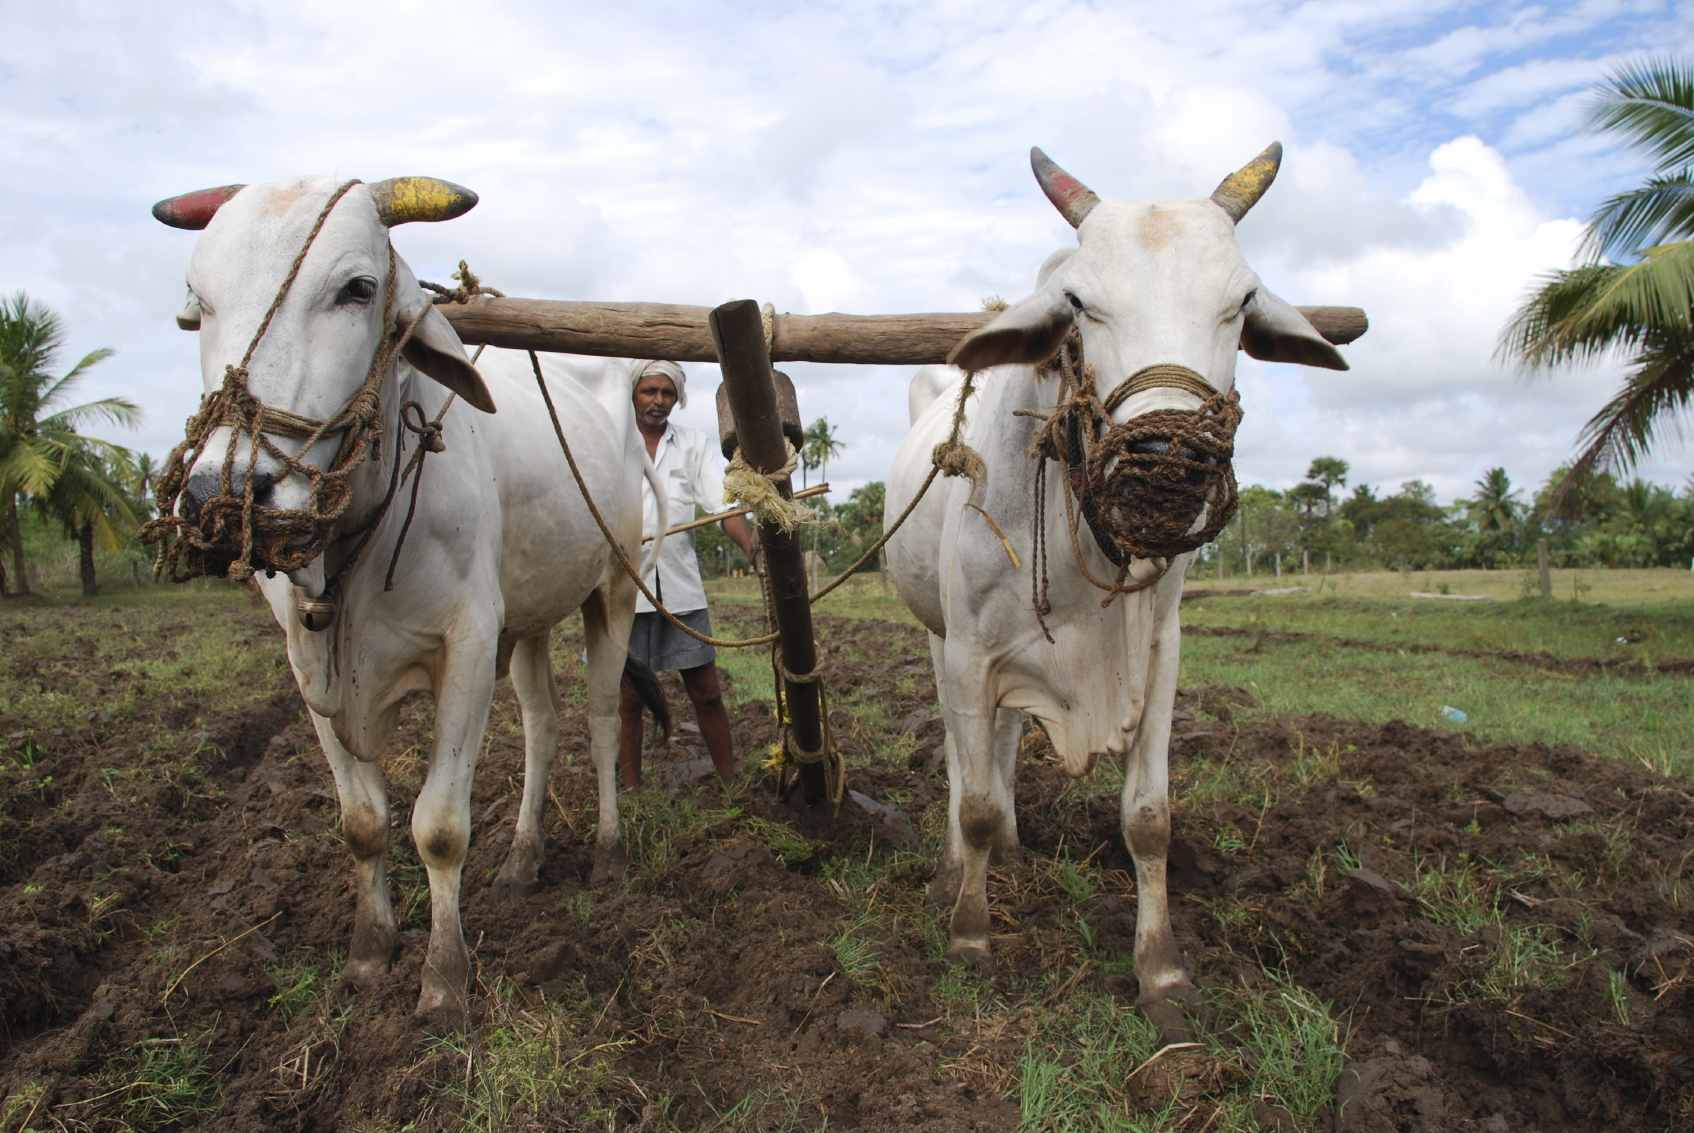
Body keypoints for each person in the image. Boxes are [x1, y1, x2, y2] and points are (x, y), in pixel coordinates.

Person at [620, 359, 757, 789]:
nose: (658, 401)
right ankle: (629, 791)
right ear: (633, 394)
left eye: (667, 393)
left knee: (707, 692)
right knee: (627, 700)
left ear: (678, 398)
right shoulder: (610, 442)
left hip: (681, 589)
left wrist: (754, 551)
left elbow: (723, 506)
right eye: (649, 391)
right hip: (623, 589)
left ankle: (730, 781)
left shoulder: (693, 443)